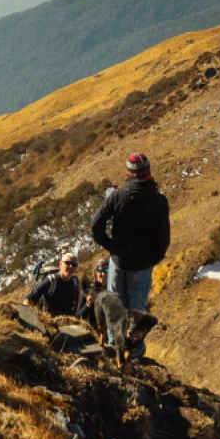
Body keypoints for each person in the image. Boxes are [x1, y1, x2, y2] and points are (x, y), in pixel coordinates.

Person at [90, 153, 169, 357]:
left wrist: (111, 246)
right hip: (142, 265)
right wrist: (154, 258)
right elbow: (164, 238)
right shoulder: (159, 201)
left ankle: (113, 346)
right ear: (148, 172)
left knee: (115, 305)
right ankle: (134, 353)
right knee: (137, 309)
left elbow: (95, 226)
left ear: (128, 173)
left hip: (119, 261)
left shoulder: (117, 196)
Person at [27, 251, 83, 317]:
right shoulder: (51, 280)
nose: (71, 266)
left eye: (74, 265)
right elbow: (29, 300)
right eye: (68, 263)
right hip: (49, 322)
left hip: (68, 322)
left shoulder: (75, 281)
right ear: (60, 264)